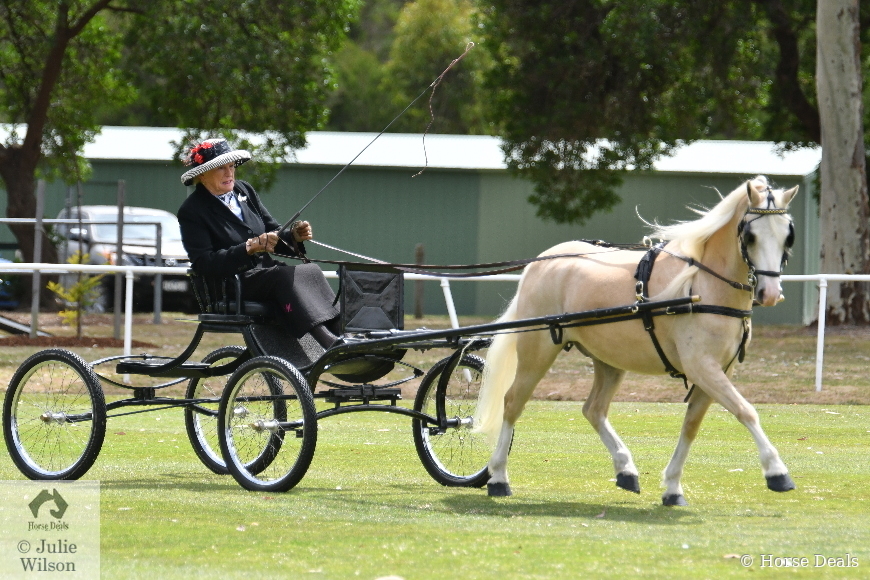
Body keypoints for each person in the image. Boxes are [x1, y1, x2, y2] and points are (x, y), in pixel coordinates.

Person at [177, 137, 342, 348]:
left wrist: (294, 236)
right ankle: (325, 342)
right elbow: (204, 263)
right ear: (203, 174)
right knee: (283, 277)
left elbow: (273, 232)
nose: (229, 173)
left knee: (310, 271)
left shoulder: (244, 190)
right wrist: (249, 248)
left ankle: (339, 331)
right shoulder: (192, 210)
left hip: (265, 275)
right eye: (221, 169)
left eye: (231, 166)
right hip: (232, 283)